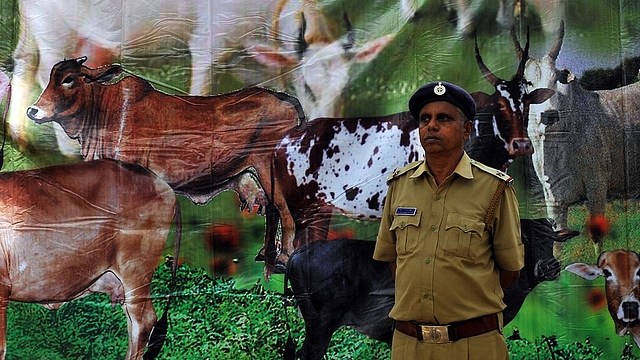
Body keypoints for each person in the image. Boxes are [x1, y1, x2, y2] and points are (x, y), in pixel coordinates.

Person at [373, 81, 524, 359]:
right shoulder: (399, 186)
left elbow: (510, 272)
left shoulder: (494, 189)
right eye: (425, 119)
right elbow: (395, 261)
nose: (432, 126)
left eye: (444, 118)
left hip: (474, 344)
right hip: (409, 345)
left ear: (467, 129)